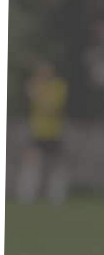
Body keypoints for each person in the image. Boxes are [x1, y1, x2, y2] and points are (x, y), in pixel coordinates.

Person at [16, 61, 70, 205]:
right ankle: (26, 197)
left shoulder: (59, 86)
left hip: (54, 132)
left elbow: (52, 107)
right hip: (36, 131)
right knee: (31, 164)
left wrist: (35, 94)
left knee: (56, 166)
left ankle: (56, 198)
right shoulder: (36, 85)